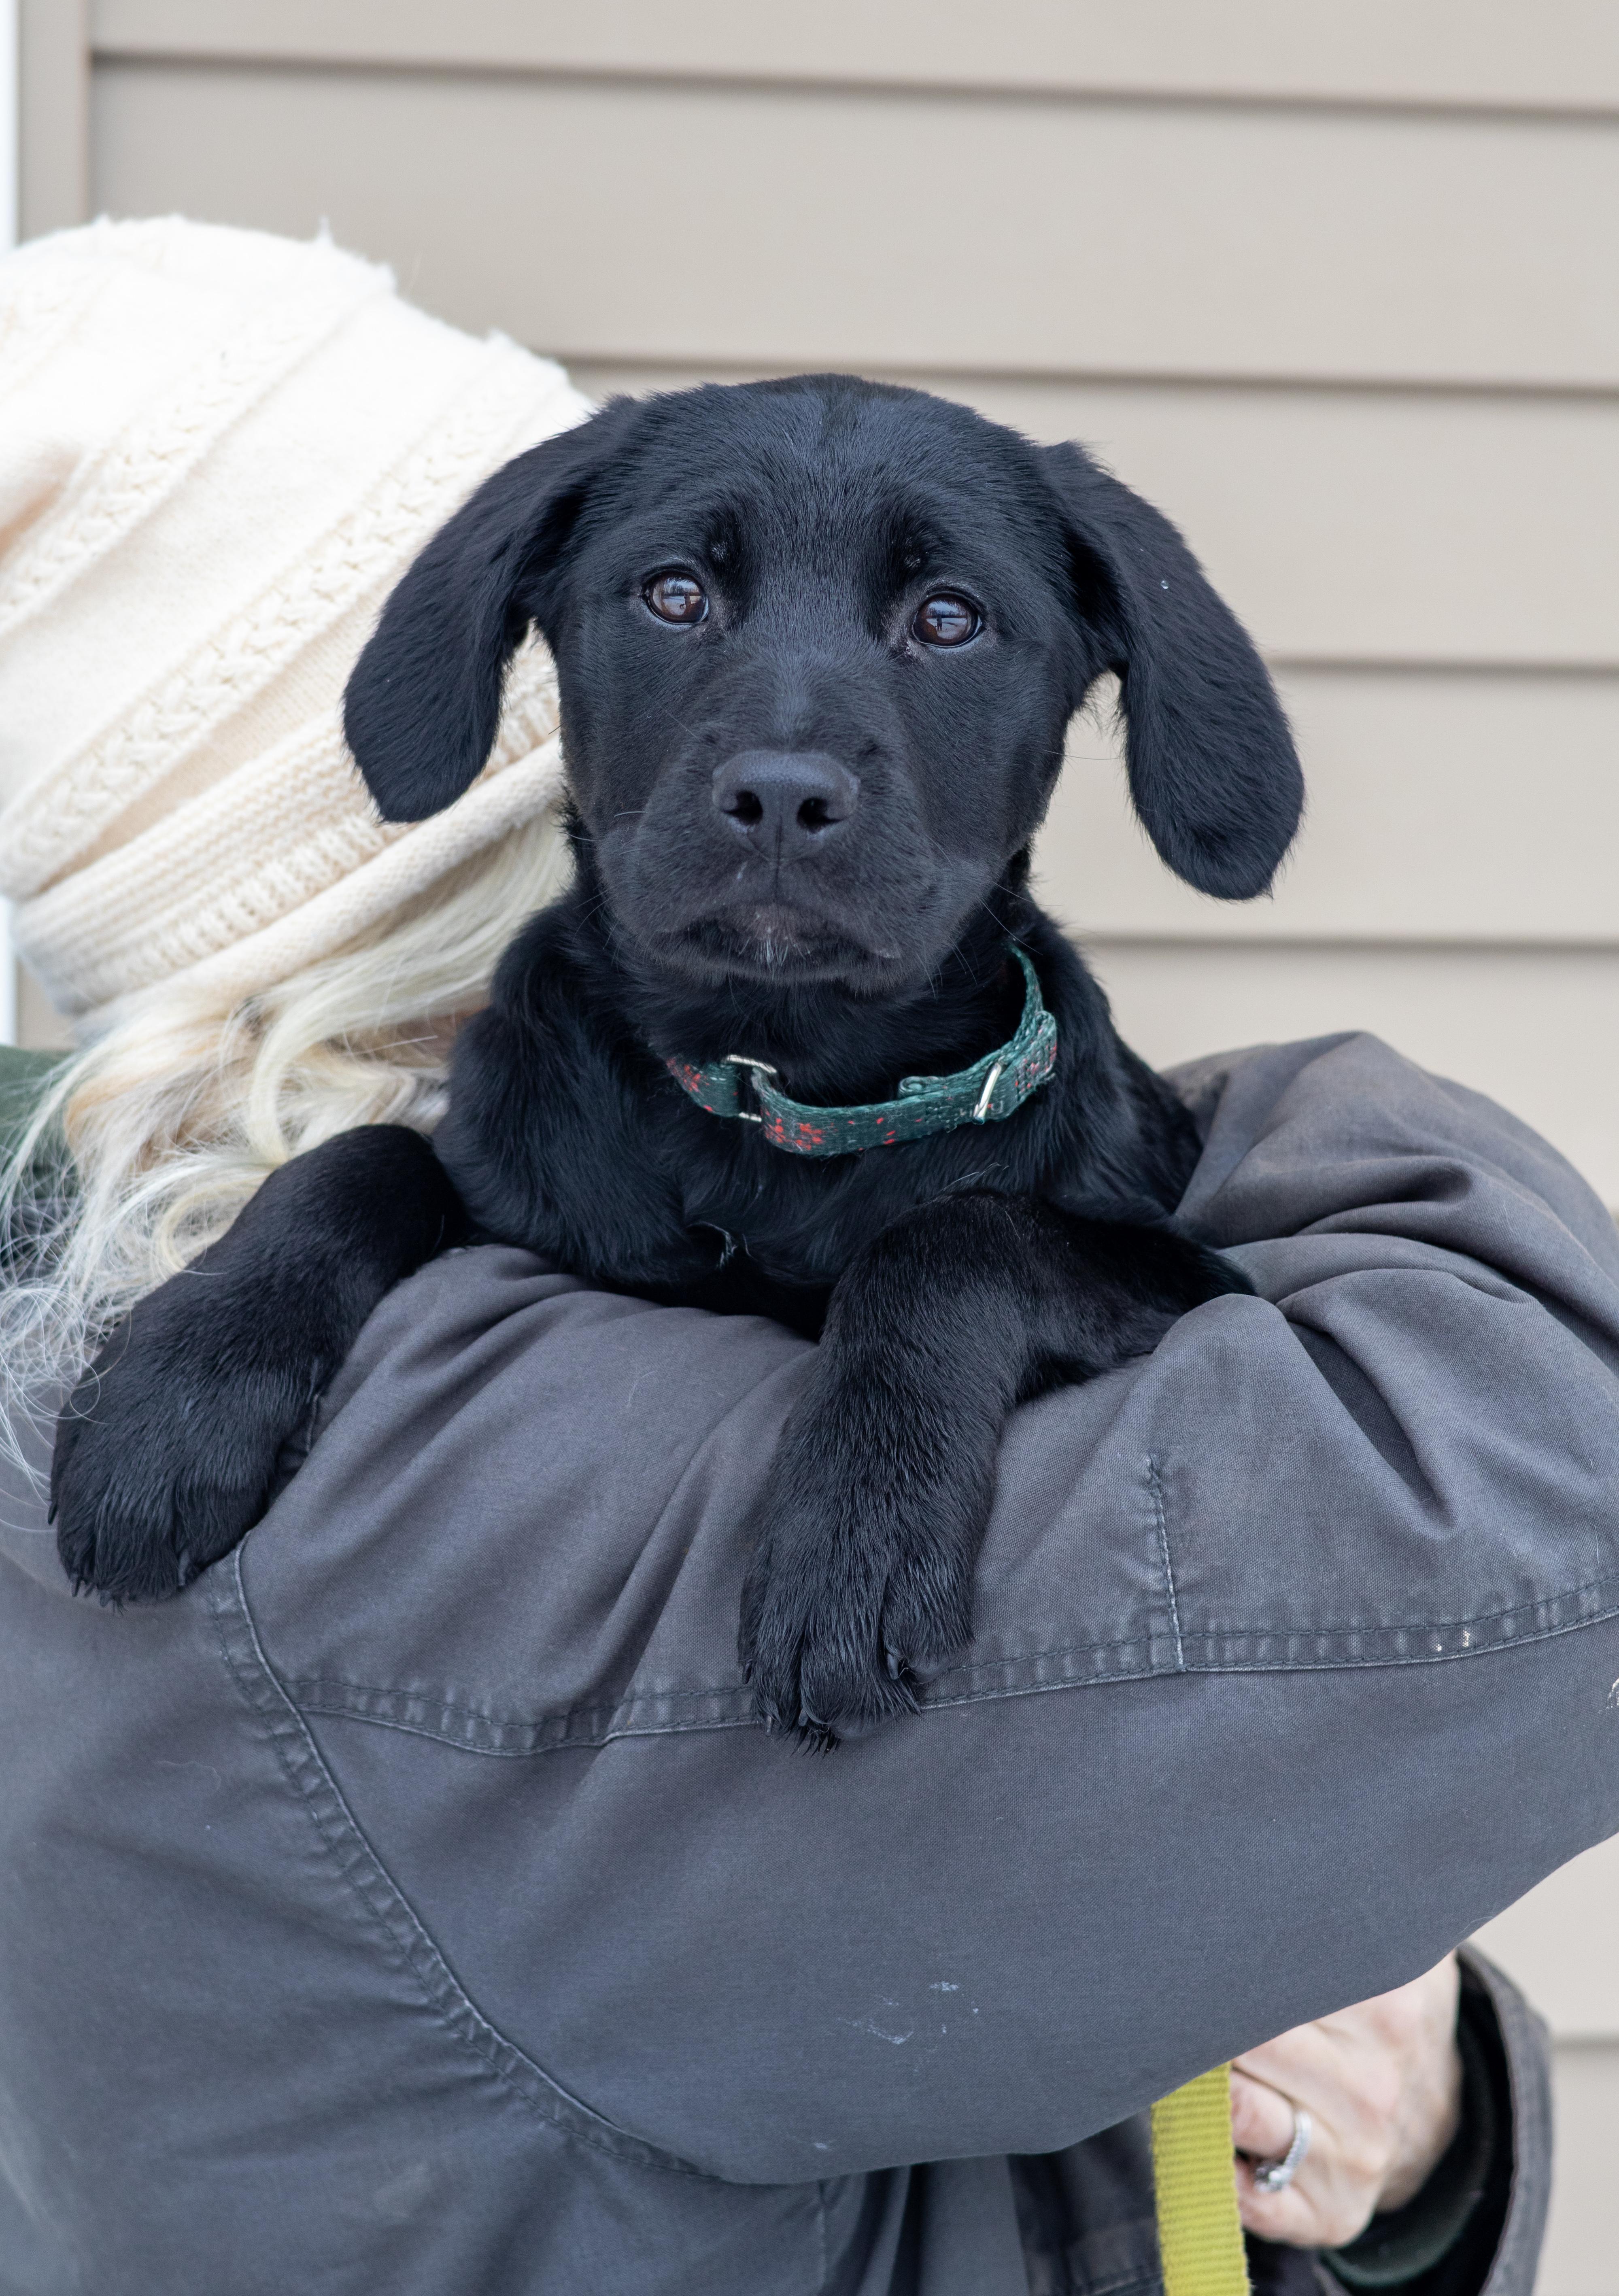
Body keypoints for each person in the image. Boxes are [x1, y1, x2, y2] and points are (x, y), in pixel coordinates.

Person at [0, 219, 1606, 2296]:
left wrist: (1416, 2086)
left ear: (1079, 697)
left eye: (945, 618)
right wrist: (332, 1224)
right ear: (520, 654)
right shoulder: (384, 1475)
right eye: (679, 597)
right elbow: (1540, 1484)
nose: (784, 752)